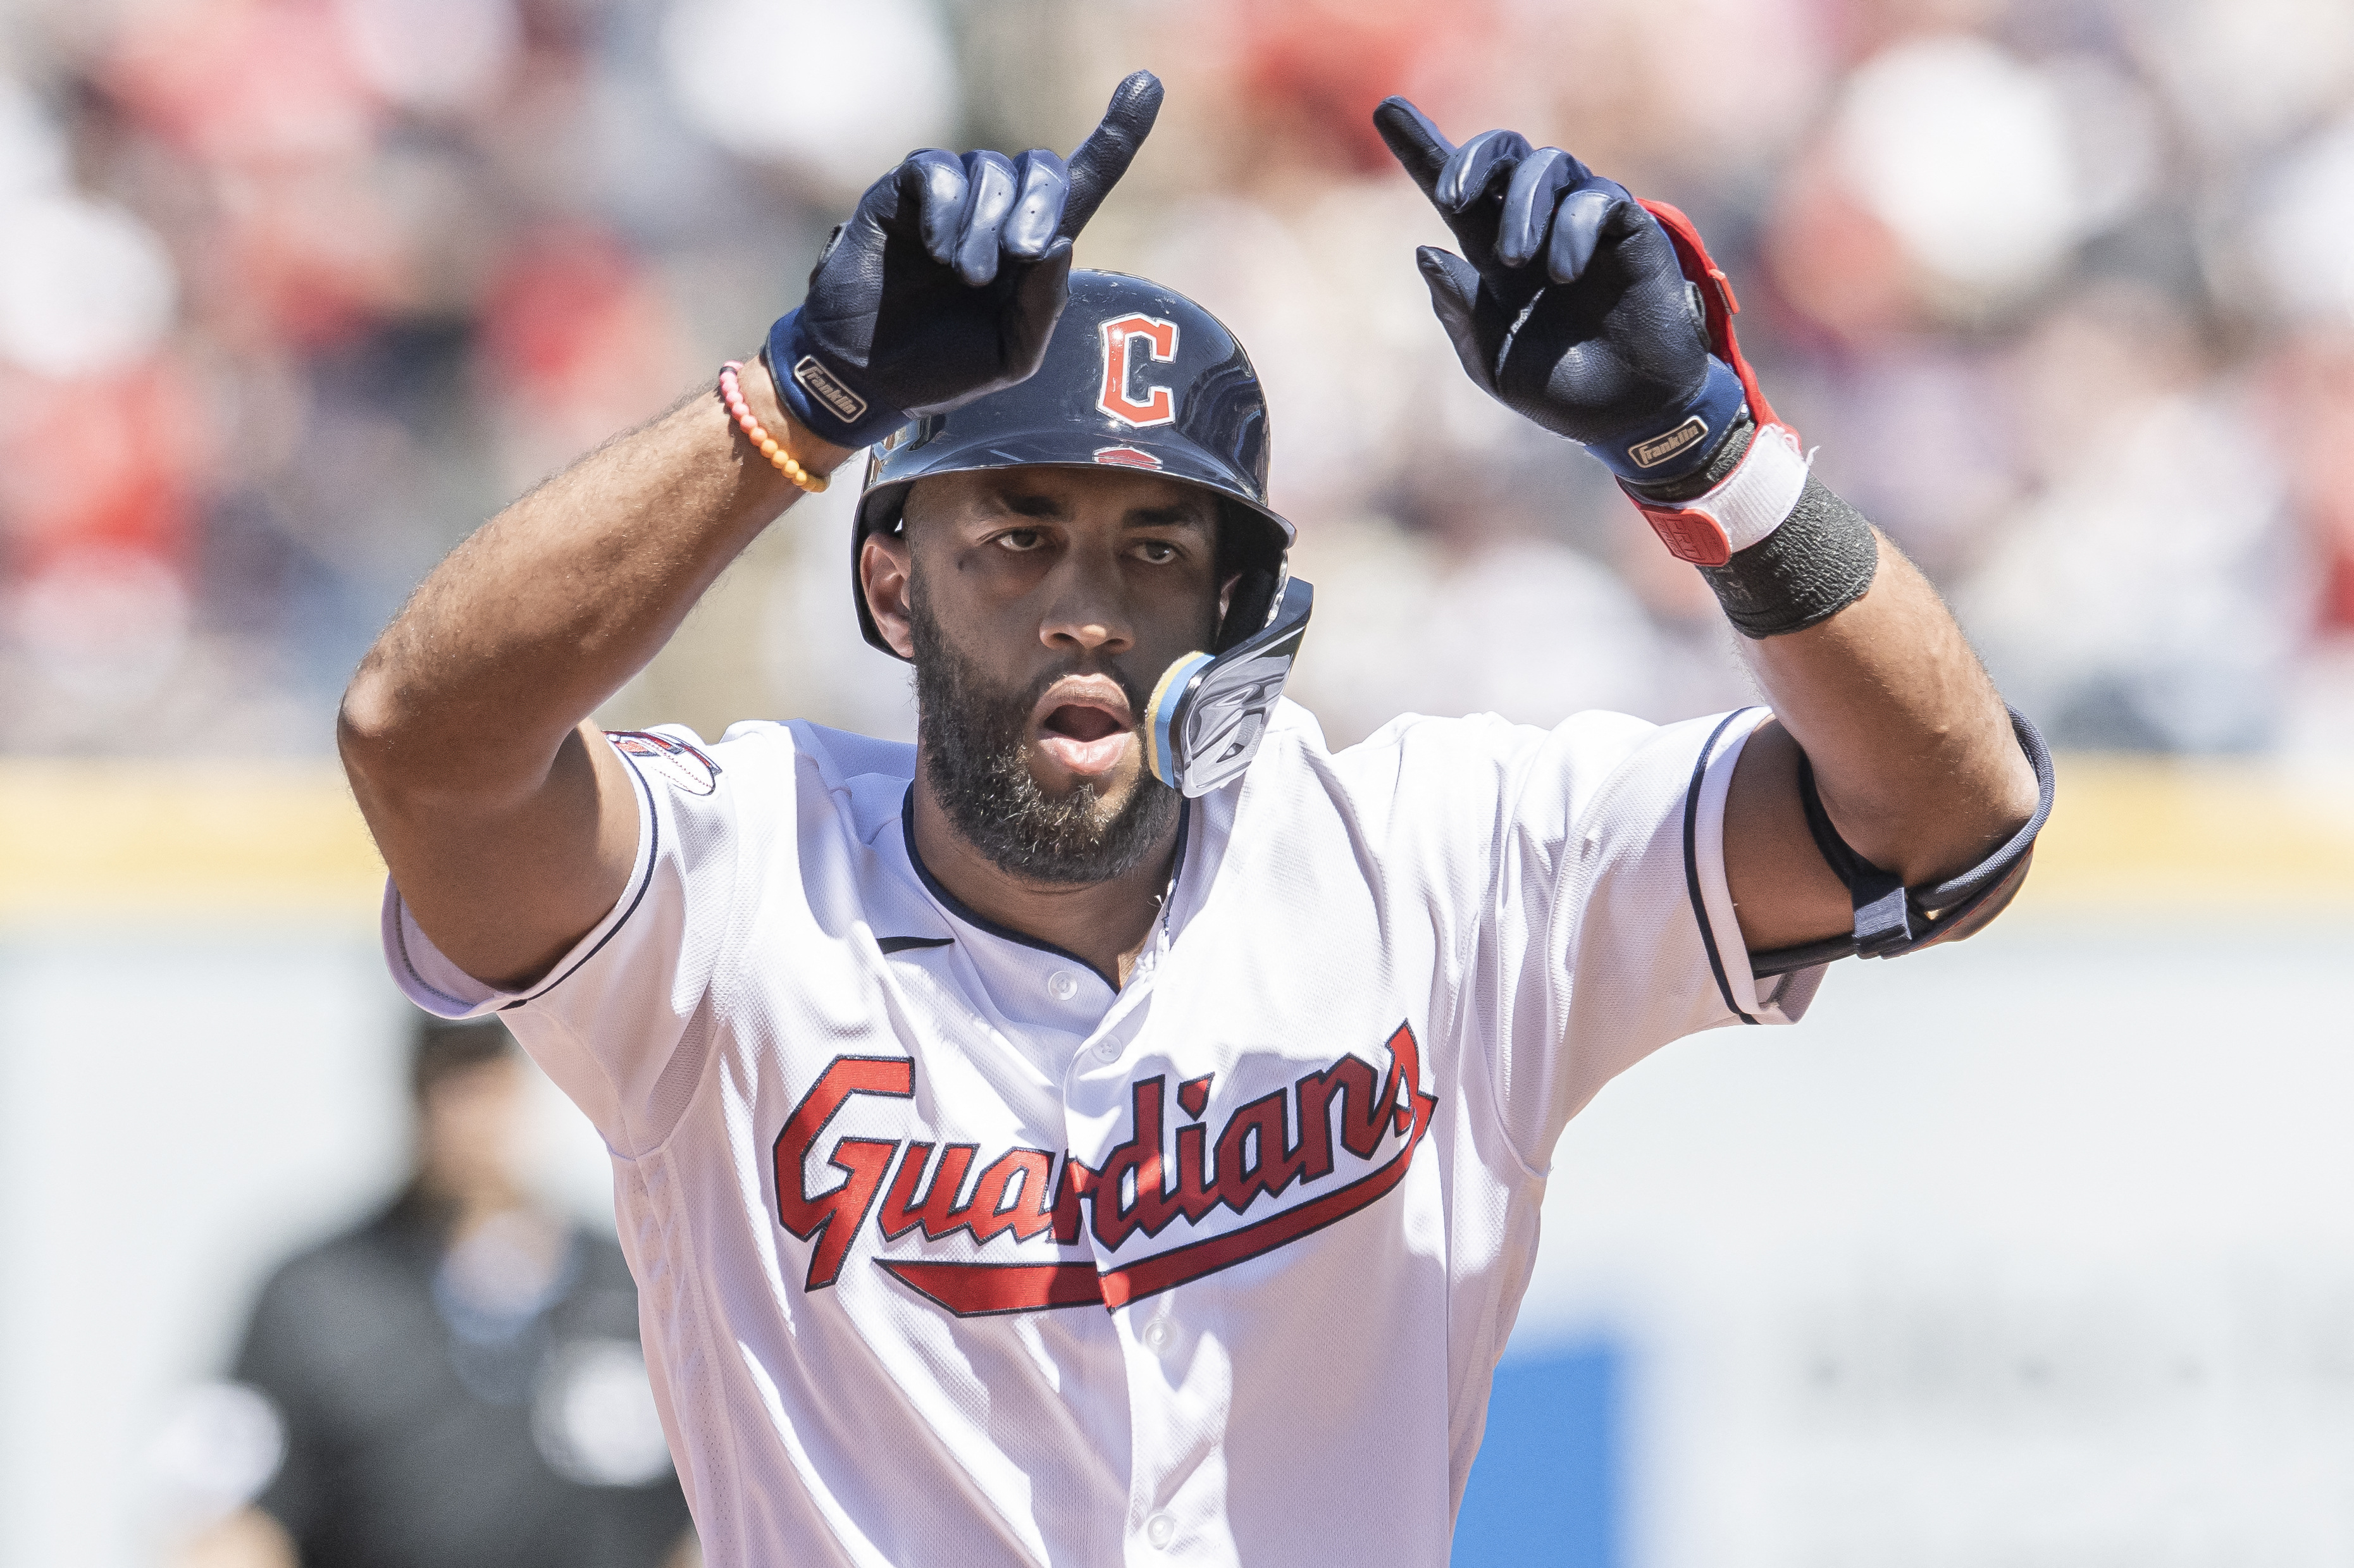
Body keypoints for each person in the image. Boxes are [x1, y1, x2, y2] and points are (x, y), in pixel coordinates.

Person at [336, 71, 2050, 1565]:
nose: (1088, 603)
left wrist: (1715, 463)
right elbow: (422, 745)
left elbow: (1946, 825)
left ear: (1238, 614)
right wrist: (796, 404)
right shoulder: (740, 876)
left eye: (1157, 547)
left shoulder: (1441, 863)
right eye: (1018, 533)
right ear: (891, 579)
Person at [187, 1018, 696, 1568]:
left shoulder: (634, 1281)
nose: (469, 1112)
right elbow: (227, 1520)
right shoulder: (317, 1293)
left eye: (487, 1079)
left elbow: (714, 1509)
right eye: (448, 1082)